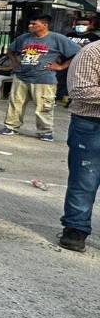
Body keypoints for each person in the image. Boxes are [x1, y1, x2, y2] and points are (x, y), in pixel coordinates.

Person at [0, 15, 79, 141]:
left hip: (44, 78)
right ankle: (11, 126)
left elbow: (77, 53)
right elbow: (11, 50)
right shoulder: (24, 38)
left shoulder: (57, 39)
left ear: (44, 25)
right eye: (30, 24)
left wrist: (61, 66)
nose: (30, 26)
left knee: (44, 106)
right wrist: (15, 63)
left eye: (34, 24)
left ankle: (45, 131)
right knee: (15, 103)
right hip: (21, 77)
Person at [60, 38, 100, 252]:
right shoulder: (92, 53)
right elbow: (80, 90)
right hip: (92, 125)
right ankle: (76, 229)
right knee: (85, 179)